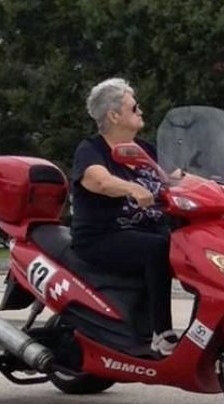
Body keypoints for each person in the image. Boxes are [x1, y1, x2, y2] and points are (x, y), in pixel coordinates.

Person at [70, 78, 178, 356]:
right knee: (158, 249)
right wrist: (131, 187)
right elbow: (98, 181)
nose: (141, 111)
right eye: (134, 107)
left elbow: (175, 177)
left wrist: (220, 185)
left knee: (189, 246)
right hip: (102, 237)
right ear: (114, 115)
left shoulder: (144, 149)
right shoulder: (92, 149)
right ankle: (161, 334)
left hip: (144, 231)